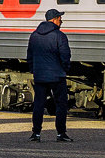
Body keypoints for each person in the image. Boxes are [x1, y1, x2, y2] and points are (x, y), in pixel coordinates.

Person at [26, 8, 73, 142]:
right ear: (53, 20)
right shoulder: (59, 36)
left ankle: (36, 133)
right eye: (59, 18)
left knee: (39, 105)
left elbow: (29, 55)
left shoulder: (34, 35)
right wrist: (65, 69)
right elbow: (65, 55)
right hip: (57, 76)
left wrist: (33, 70)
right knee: (61, 105)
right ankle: (61, 134)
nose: (61, 21)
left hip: (40, 75)